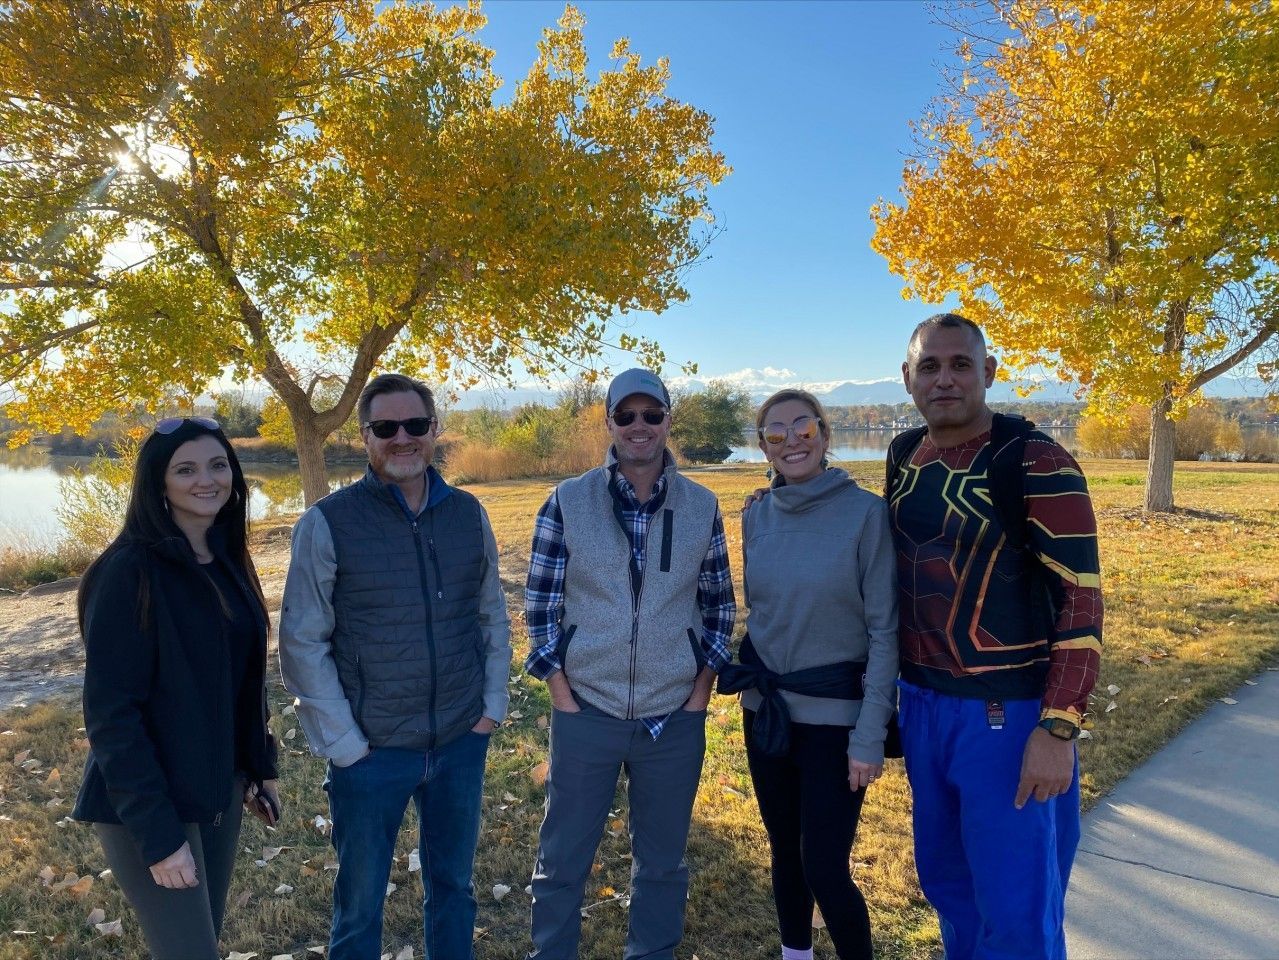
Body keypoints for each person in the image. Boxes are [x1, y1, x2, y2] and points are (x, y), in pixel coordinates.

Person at [889, 313, 1103, 960]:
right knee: (950, 892)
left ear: (988, 371)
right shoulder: (903, 456)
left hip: (1005, 718)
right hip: (922, 706)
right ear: (907, 378)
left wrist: (1057, 726)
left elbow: (1080, 599)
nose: (944, 379)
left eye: (960, 364)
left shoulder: (1035, 461)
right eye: (929, 366)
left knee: (1016, 917)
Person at [279, 373, 511, 960]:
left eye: (415, 425)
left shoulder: (468, 513)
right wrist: (345, 744)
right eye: (386, 428)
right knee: (359, 907)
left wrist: (490, 709)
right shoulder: (326, 523)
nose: (402, 438)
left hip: (460, 740)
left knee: (454, 890)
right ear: (365, 437)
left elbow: (491, 615)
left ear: (434, 431)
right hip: (372, 753)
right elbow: (302, 642)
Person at [523, 368, 736, 960]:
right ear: (610, 423)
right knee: (563, 858)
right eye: (626, 415)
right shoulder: (567, 500)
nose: (639, 427)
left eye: (651, 415)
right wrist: (562, 693)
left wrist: (699, 695)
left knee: (663, 862)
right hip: (586, 709)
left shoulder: (702, 505)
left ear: (668, 420)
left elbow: (719, 606)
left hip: (674, 716)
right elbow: (540, 606)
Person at [72, 416, 279, 960]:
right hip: (152, 804)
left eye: (217, 465)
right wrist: (161, 838)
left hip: (219, 792)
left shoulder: (227, 558)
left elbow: (241, 681)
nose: (205, 480)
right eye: (184, 469)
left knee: (196, 943)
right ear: (157, 482)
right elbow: (112, 716)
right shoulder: (128, 572)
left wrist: (260, 767)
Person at [718, 389, 898, 960]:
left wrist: (870, 735)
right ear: (763, 446)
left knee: (824, 864)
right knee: (783, 851)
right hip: (767, 716)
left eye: (803, 428)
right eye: (776, 433)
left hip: (835, 723)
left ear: (823, 433)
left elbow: (885, 634)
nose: (791, 440)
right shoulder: (756, 515)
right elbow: (765, 615)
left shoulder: (867, 515)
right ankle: (795, 952)